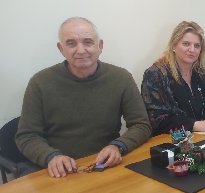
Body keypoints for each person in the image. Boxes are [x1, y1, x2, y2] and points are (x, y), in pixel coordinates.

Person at [16, 17, 152, 178]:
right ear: (61, 49)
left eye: (88, 42)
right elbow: (27, 136)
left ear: (100, 46)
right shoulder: (40, 82)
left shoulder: (121, 78)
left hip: (107, 165)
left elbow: (141, 124)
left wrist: (118, 146)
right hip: (61, 171)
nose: (80, 50)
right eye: (71, 43)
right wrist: (51, 157)